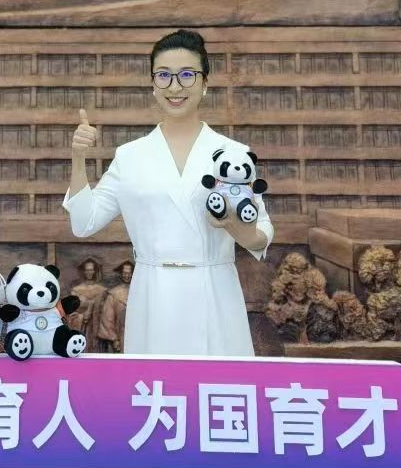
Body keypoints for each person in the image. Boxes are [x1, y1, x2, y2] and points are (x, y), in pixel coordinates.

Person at [63, 29, 274, 356]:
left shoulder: (233, 153)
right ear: (153, 84)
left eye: (187, 75)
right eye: (164, 75)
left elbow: (260, 236)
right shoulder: (130, 156)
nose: (175, 86)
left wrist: (232, 225)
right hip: (153, 293)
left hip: (214, 290)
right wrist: (79, 159)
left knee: (216, 384)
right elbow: (83, 222)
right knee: (156, 382)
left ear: (205, 83)